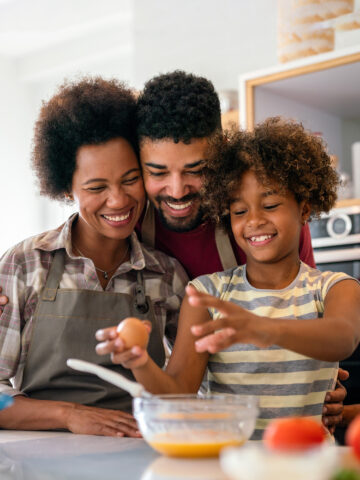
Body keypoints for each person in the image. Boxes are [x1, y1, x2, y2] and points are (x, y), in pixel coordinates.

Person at [96, 117, 360, 440]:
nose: (255, 221)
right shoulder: (206, 293)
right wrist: (140, 363)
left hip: (308, 466)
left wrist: (263, 328)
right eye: (239, 211)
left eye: (271, 205)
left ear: (304, 210)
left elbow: (343, 336)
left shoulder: (334, 288)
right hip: (228, 465)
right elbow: (178, 393)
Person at [134, 70, 347, 431]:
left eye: (195, 170)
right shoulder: (130, 223)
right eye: (157, 172)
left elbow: (326, 332)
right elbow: (179, 390)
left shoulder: (307, 259)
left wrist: (318, 379)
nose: (176, 190)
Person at [0, 77, 188, 436]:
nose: (117, 201)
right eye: (96, 187)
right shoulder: (25, 264)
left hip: (136, 454)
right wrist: (69, 415)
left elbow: (189, 387)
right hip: (37, 460)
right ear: (65, 186)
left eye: (130, 180)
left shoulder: (165, 275)